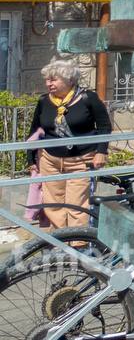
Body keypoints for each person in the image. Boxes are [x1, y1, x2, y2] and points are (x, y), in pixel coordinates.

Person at [26, 59, 111, 229]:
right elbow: (35, 131)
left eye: (53, 79)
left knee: (77, 205)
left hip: (80, 160)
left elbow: (104, 126)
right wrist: (31, 160)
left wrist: (101, 151)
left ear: (70, 80)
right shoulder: (44, 101)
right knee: (53, 204)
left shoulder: (88, 98)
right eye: (47, 79)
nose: (48, 83)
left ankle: (79, 245)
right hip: (49, 159)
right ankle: (61, 240)